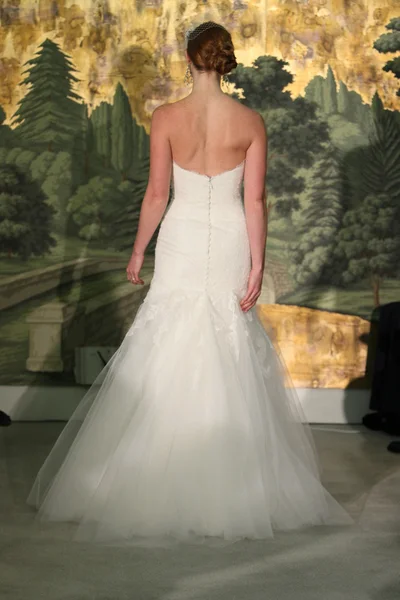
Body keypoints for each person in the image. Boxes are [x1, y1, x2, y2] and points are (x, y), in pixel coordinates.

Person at [27, 21, 353, 546]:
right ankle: (235, 484)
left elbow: (157, 194)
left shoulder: (167, 118)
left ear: (189, 59)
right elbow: (254, 201)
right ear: (224, 60)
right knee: (228, 336)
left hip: (180, 235)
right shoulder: (250, 121)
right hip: (229, 237)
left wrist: (137, 250)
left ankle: (151, 476)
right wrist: (256, 264)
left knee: (169, 335)